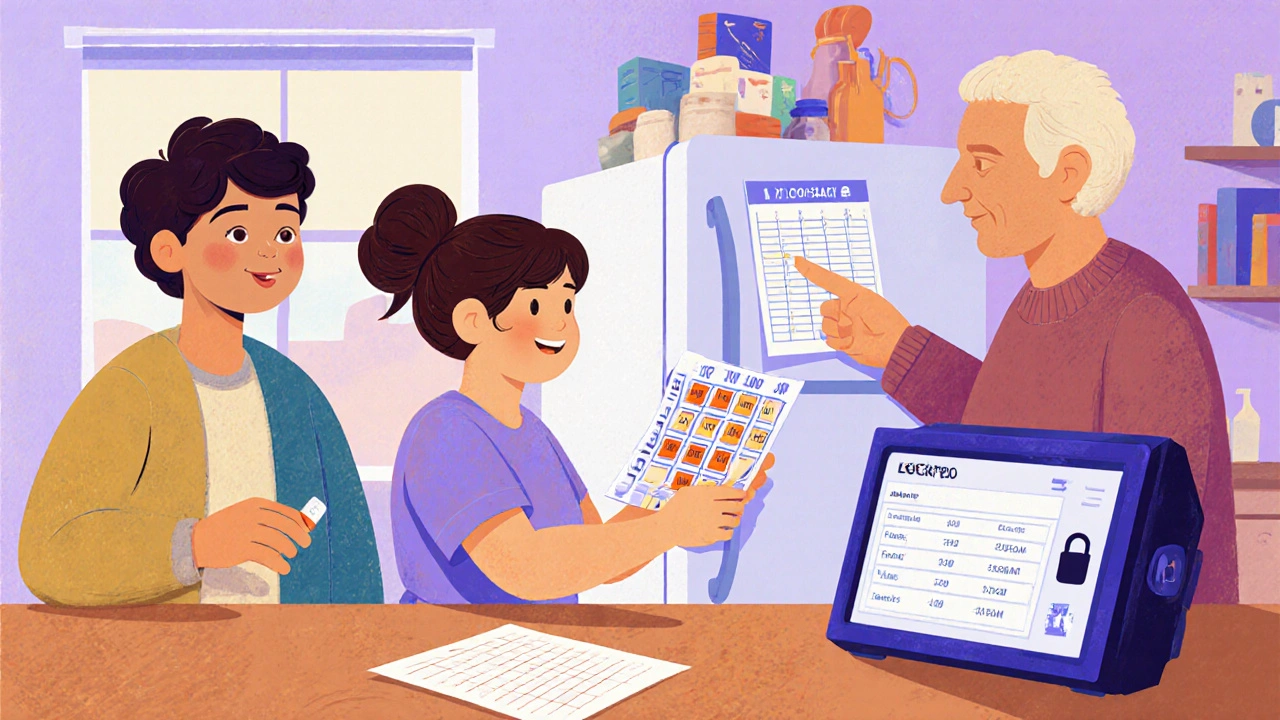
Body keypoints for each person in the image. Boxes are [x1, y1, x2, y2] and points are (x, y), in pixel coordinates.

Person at [796, 50, 1238, 603]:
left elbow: (1152, 550)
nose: (952, 189)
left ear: (1068, 173)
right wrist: (894, 347)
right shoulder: (1039, 293)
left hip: (1149, 675)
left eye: (981, 163)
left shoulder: (1143, 319)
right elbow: (1010, 432)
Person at [19, 117, 382, 606]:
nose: (267, 252)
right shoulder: (132, 387)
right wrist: (197, 544)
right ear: (171, 250)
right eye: (236, 231)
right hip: (170, 665)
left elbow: (351, 548)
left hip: (291, 658)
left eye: (284, 230)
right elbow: (48, 550)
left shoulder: (296, 394)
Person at [360, 184, 773, 604]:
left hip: (535, 652)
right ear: (473, 321)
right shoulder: (445, 432)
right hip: (460, 655)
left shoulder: (532, 431)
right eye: (538, 307)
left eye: (568, 304)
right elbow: (526, 568)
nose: (560, 323)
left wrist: (687, 492)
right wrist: (670, 526)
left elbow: (599, 550)